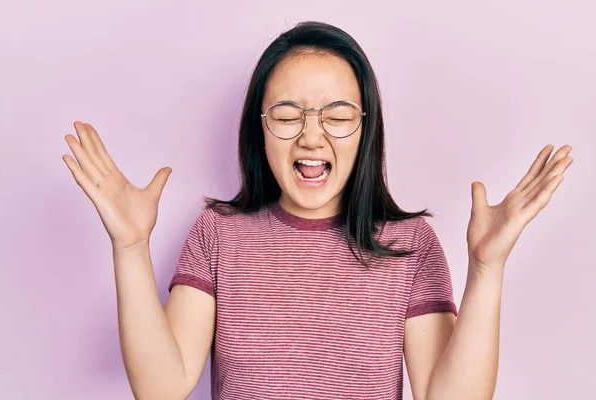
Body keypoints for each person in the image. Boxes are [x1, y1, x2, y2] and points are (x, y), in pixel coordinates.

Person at [62, 21, 573, 400]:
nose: (311, 134)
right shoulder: (218, 234)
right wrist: (130, 248)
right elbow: (161, 389)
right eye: (287, 114)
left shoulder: (410, 245)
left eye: (338, 114)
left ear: (365, 129)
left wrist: (487, 269)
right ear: (259, 129)